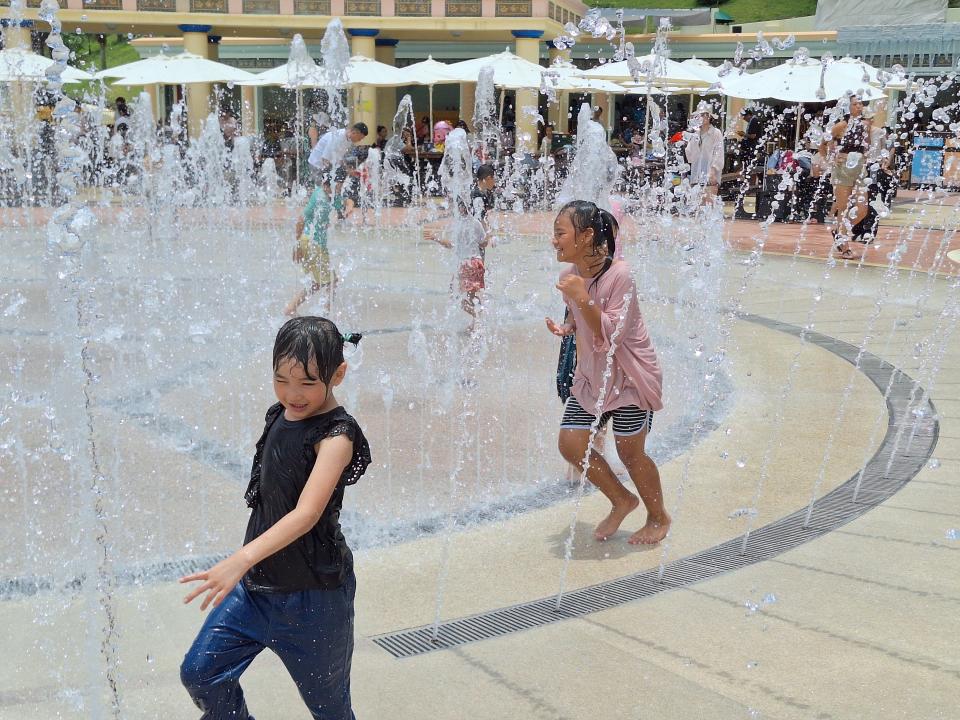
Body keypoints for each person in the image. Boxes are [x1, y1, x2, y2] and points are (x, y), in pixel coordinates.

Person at [179, 316, 371, 720]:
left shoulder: (337, 435)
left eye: (306, 382)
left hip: (315, 599)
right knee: (201, 673)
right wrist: (249, 564)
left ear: (338, 374)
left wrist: (240, 558)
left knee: (330, 708)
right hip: (256, 591)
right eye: (281, 379)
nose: (292, 394)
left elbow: (307, 513)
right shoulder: (279, 414)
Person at [545, 201, 668, 545]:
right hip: (592, 377)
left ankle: (658, 516)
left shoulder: (620, 276)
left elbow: (613, 334)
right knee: (571, 444)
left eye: (560, 233)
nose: (554, 241)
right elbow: (583, 319)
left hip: (629, 377)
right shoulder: (568, 276)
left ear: (585, 237)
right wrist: (568, 326)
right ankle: (621, 499)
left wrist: (582, 300)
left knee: (630, 453)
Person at [285, 180, 337, 316]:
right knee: (329, 280)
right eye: (339, 184)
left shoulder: (324, 195)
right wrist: (296, 246)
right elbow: (301, 219)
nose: (339, 188)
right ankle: (324, 313)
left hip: (314, 243)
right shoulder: (320, 197)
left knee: (322, 281)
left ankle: (324, 312)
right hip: (312, 243)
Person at [829, 96, 872, 259]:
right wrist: (832, 157)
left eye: (860, 103)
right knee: (844, 208)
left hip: (859, 167)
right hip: (843, 167)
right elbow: (824, 142)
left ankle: (840, 233)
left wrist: (866, 158)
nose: (859, 106)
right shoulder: (841, 125)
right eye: (855, 104)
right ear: (848, 107)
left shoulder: (865, 125)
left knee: (862, 209)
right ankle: (845, 245)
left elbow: (866, 145)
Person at [684, 102, 724, 200]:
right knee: (697, 208)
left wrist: (713, 171)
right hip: (696, 174)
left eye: (704, 115)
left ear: (709, 117)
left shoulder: (716, 133)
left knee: (708, 206)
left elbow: (718, 153)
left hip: (710, 174)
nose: (701, 117)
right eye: (699, 115)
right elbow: (689, 155)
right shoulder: (695, 133)